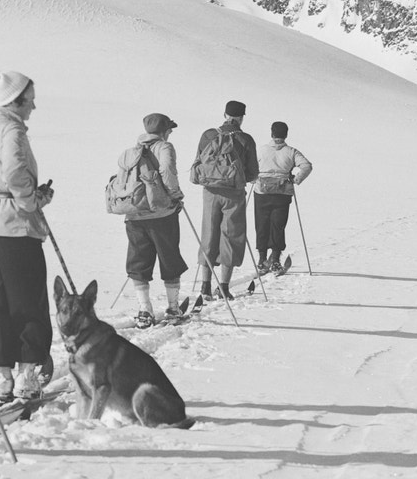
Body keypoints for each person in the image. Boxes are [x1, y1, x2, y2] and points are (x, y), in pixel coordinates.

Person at [0, 71, 55, 403]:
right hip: (14, 228)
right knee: (28, 301)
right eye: (30, 98)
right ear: (17, 100)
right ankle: (27, 376)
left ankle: (1, 378)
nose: (34, 104)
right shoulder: (12, 130)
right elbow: (15, 172)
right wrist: (32, 201)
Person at [115, 113, 189, 327]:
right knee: (169, 259)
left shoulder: (130, 152)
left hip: (134, 214)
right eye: (170, 129)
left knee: (138, 261)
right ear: (164, 131)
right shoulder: (165, 147)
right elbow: (167, 172)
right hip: (161, 214)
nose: (171, 132)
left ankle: (144, 310)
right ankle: (173, 309)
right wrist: (176, 196)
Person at [190, 100, 258, 303]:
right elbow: (252, 173)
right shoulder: (246, 139)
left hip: (209, 192)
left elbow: (198, 162)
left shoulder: (208, 135)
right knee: (231, 235)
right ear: (241, 117)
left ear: (224, 114)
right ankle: (224, 287)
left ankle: (205, 286)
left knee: (209, 233)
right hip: (233, 194)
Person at [253, 121, 313, 274]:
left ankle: (261, 260)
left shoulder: (261, 150)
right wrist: (296, 179)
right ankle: (275, 260)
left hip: (262, 192)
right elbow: (306, 166)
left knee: (262, 224)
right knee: (278, 225)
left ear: (272, 134)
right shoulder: (291, 151)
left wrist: (254, 178)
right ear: (286, 135)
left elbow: (251, 166)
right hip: (282, 193)